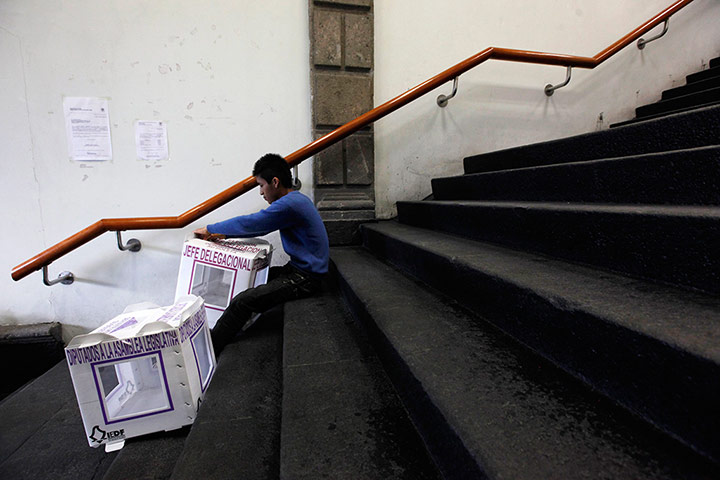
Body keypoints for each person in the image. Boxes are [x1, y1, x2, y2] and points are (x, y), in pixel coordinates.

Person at [193, 153, 329, 354]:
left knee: (243, 301)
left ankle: (209, 353)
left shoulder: (290, 205)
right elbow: (258, 227)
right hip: (299, 269)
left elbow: (254, 223)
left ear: (275, 182)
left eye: (261, 185)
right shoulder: (295, 200)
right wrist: (224, 234)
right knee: (255, 278)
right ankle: (226, 333)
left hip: (308, 278)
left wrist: (211, 229)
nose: (260, 192)